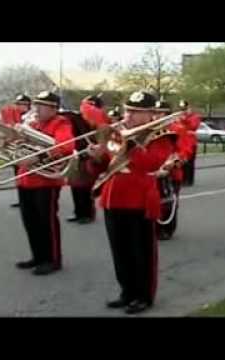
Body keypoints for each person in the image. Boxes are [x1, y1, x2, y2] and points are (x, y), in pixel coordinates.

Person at [87, 91, 175, 314]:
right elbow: (105, 165)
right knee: (120, 250)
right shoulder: (116, 133)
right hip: (113, 197)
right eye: (128, 110)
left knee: (141, 252)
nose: (130, 115)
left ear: (151, 113)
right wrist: (97, 156)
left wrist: (130, 141)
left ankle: (144, 295)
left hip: (139, 199)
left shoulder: (161, 135)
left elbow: (150, 163)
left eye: (136, 111)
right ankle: (126, 291)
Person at [15, 91, 74, 275]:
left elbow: (66, 146)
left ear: (53, 108)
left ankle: (53, 259)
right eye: (36, 105)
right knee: (30, 221)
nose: (36, 109)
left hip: (46, 181)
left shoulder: (60, 123)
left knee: (46, 222)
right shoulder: (32, 124)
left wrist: (38, 156)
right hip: (26, 179)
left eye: (41, 105)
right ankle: (38, 256)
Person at [64, 94, 110, 224]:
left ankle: (88, 214)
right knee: (75, 186)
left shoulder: (103, 122)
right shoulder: (76, 119)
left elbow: (102, 140)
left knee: (85, 187)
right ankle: (78, 212)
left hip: (90, 155)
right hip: (78, 154)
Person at [152, 98, 194, 241]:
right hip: (153, 171)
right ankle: (154, 227)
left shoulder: (178, 129)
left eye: (161, 113)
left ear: (168, 114)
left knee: (168, 202)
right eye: (155, 113)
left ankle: (167, 229)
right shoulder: (149, 129)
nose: (157, 116)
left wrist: (173, 163)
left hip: (171, 172)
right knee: (153, 200)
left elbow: (186, 151)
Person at [0, 93, 31, 207]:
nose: (19, 107)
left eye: (22, 104)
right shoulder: (14, 116)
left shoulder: (31, 118)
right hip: (16, 151)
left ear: (28, 105)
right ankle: (22, 200)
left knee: (27, 177)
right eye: (18, 104)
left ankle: (28, 200)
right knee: (18, 177)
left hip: (27, 152)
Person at [177, 100, 201, 186]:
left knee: (190, 162)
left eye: (184, 108)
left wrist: (185, 119)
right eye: (182, 109)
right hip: (181, 142)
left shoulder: (195, 117)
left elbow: (193, 126)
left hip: (191, 142)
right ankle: (182, 179)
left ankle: (189, 180)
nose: (183, 110)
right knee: (182, 162)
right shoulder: (179, 116)